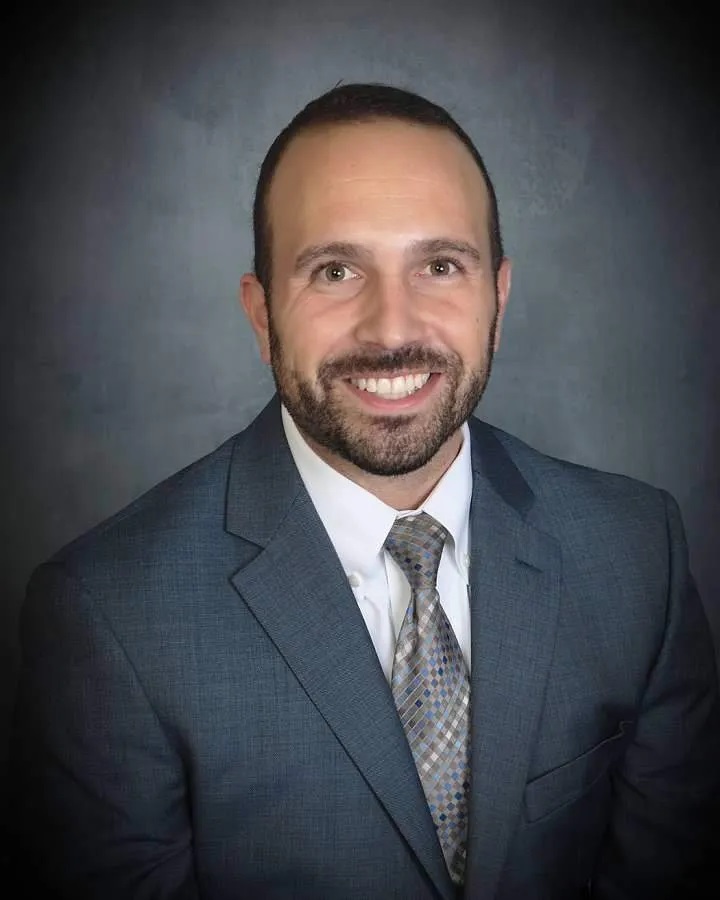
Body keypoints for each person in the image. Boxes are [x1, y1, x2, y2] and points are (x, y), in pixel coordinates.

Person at [9, 83, 720, 899]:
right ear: (262, 315)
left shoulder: (638, 552)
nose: (391, 328)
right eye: (336, 270)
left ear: (498, 297)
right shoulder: (110, 617)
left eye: (440, 266)